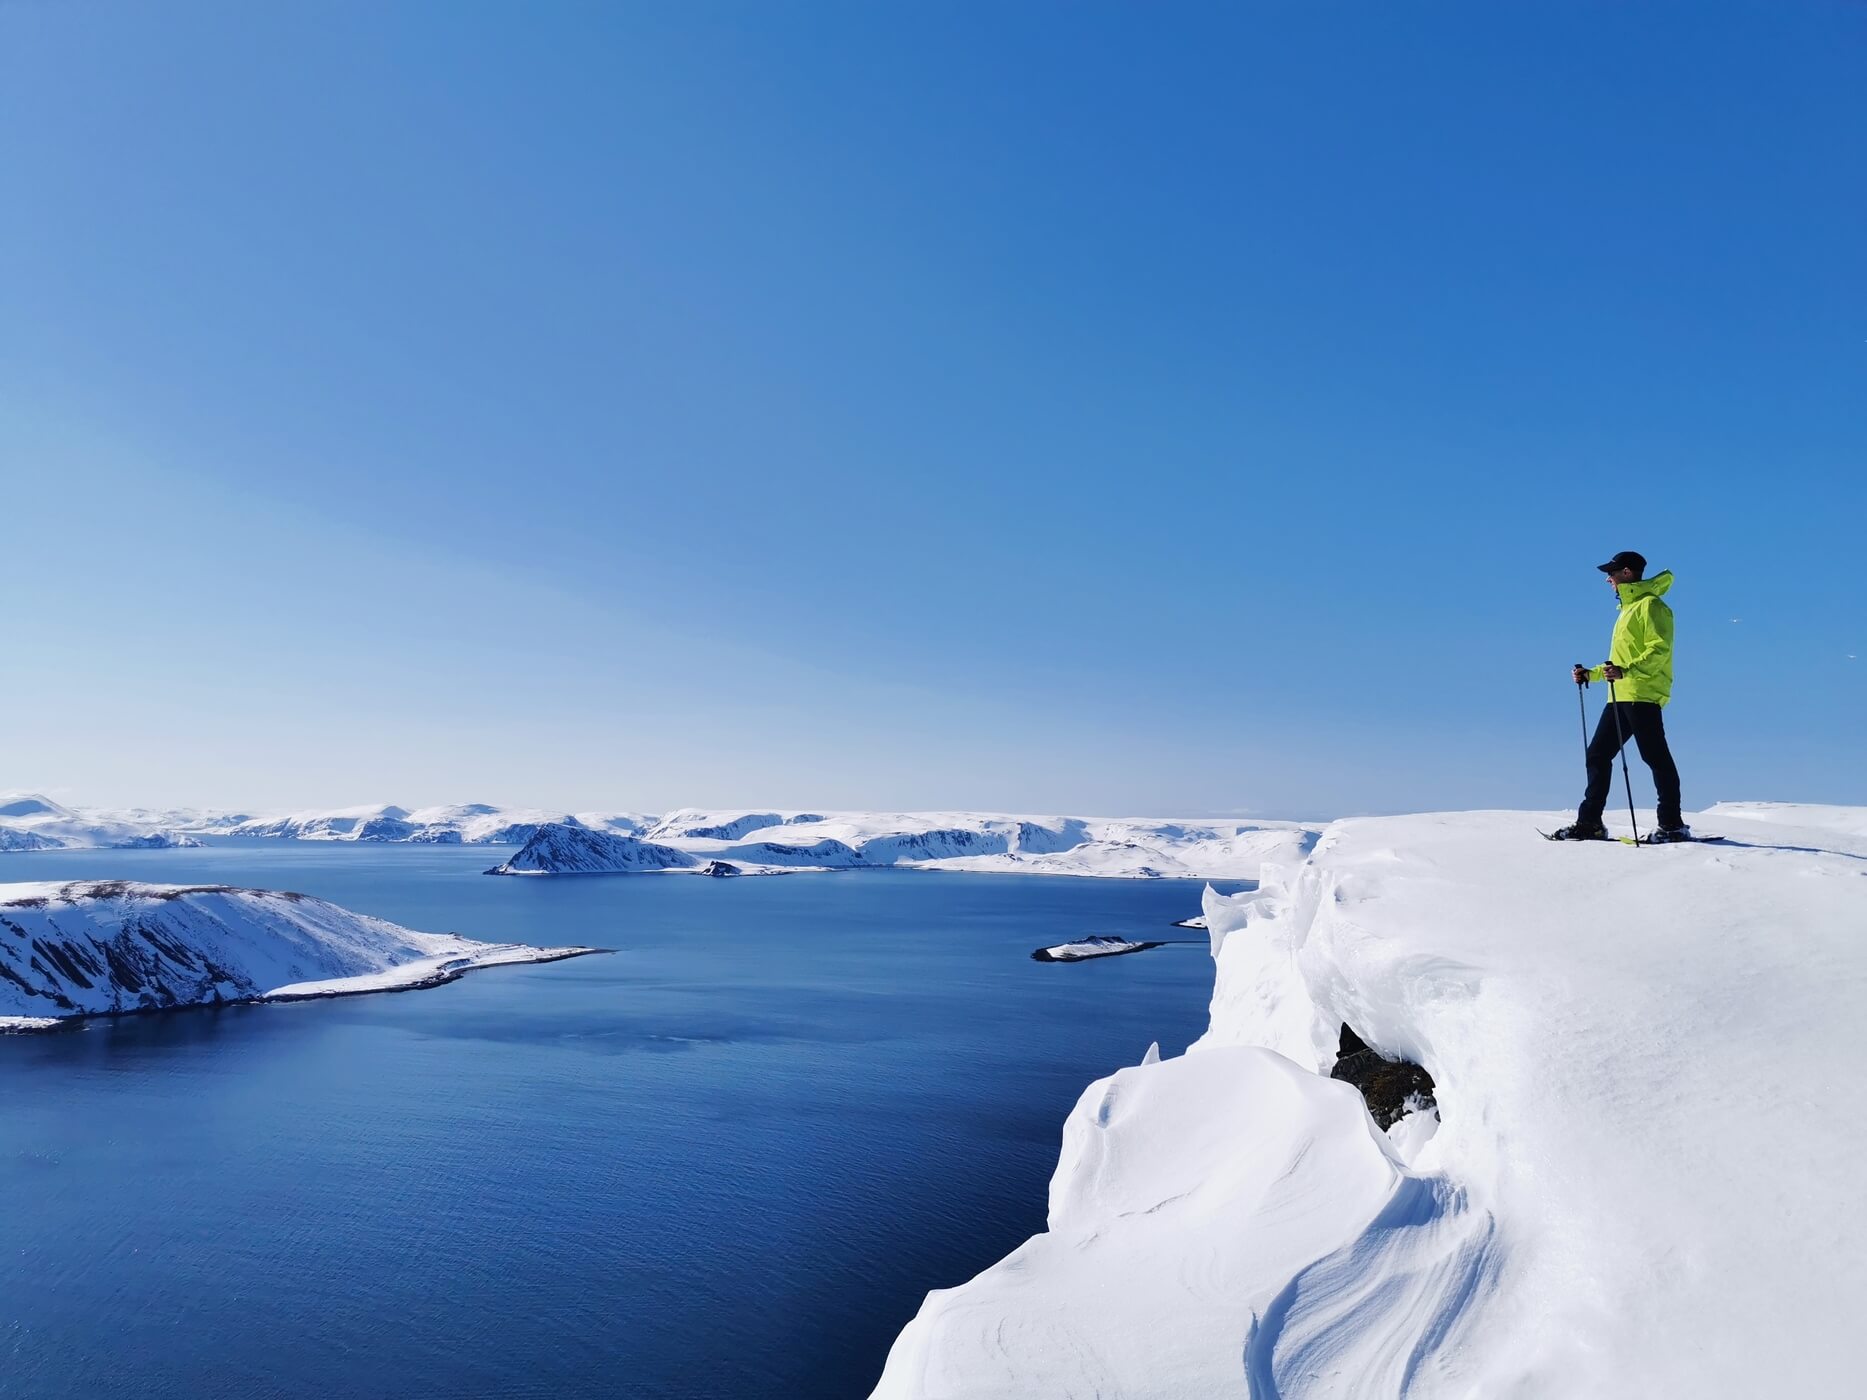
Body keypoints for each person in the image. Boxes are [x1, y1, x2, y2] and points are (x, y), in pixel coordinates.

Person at [1549, 551, 1689, 841]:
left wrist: (1626, 671)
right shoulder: (1627, 610)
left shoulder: (1651, 606)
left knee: (1655, 757)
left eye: (1611, 572)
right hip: (1619, 696)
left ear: (1627, 572)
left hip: (1643, 694)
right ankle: (1590, 823)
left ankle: (1672, 825)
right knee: (1597, 755)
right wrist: (1592, 674)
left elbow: (1659, 651)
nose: (1607, 579)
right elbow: (1619, 662)